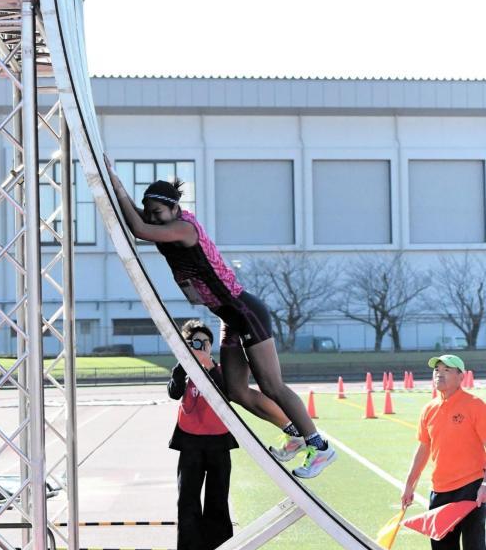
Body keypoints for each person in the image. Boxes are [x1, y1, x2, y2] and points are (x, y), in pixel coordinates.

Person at [105, 162, 336, 479]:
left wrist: (118, 189)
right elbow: (143, 221)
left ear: (175, 208)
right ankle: (293, 433)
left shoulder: (185, 229)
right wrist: (117, 187)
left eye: (158, 212)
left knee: (271, 385)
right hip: (229, 317)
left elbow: (141, 230)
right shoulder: (169, 222)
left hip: (245, 311)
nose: (153, 217)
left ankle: (320, 447)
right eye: (150, 211)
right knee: (237, 391)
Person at [401, 354, 486, 550]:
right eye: (437, 369)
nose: (440, 374)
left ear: (461, 376)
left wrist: (485, 483)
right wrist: (409, 484)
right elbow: (424, 448)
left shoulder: (475, 405)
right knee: (442, 549)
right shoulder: (429, 409)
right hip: (440, 488)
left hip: (472, 486)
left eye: (447, 370)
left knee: (473, 546)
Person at [168, 319, 240, 550]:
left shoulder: (219, 371)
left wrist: (210, 368)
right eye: (194, 343)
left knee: (218, 504)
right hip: (190, 443)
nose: (200, 347)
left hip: (219, 443)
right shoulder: (183, 371)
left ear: (211, 346)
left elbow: (229, 394)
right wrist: (183, 365)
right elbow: (174, 393)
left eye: (204, 343)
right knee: (187, 503)